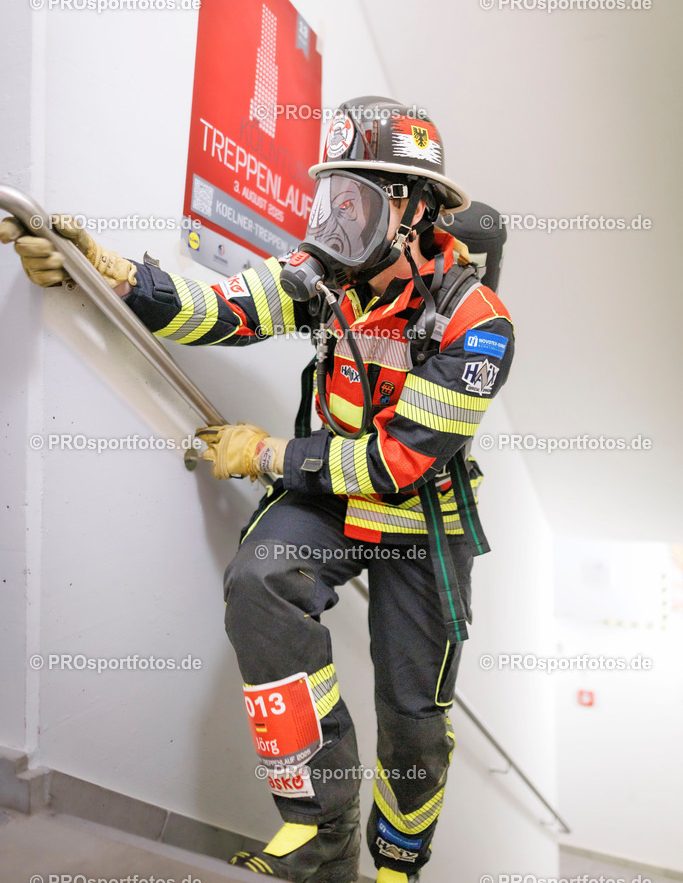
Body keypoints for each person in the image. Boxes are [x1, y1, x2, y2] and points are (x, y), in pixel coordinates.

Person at [0, 97, 514, 883]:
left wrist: (269, 454)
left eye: (357, 203)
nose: (337, 222)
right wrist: (109, 275)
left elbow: (393, 465)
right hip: (328, 489)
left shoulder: (478, 325)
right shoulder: (328, 276)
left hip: (419, 516)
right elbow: (221, 310)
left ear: (414, 209)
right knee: (260, 585)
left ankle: (396, 866)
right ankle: (321, 836)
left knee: (414, 717)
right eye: (332, 198)